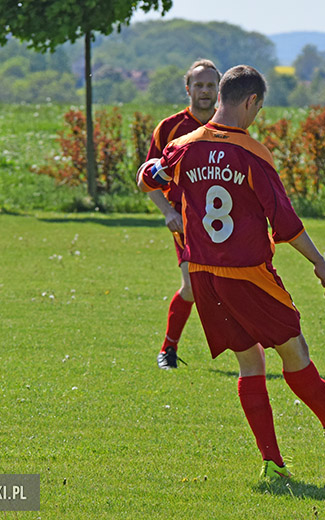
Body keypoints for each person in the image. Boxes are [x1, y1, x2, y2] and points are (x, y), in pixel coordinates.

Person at [138, 65, 325, 480]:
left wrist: (154, 174)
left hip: (203, 274)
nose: (257, 115)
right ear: (251, 101)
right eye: (258, 108)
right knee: (294, 350)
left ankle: (272, 464)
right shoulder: (253, 153)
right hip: (247, 274)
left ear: (220, 95)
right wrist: (319, 262)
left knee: (250, 362)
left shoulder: (182, 146)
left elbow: (147, 178)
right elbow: (285, 222)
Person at [145, 59, 221, 369]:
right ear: (188, 88)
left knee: (230, 286)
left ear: (219, 90)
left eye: (211, 85)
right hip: (185, 220)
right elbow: (147, 178)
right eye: (199, 85)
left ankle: (251, 353)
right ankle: (168, 349)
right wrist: (167, 212)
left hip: (221, 222)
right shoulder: (170, 128)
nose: (205, 91)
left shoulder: (230, 125)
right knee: (191, 286)